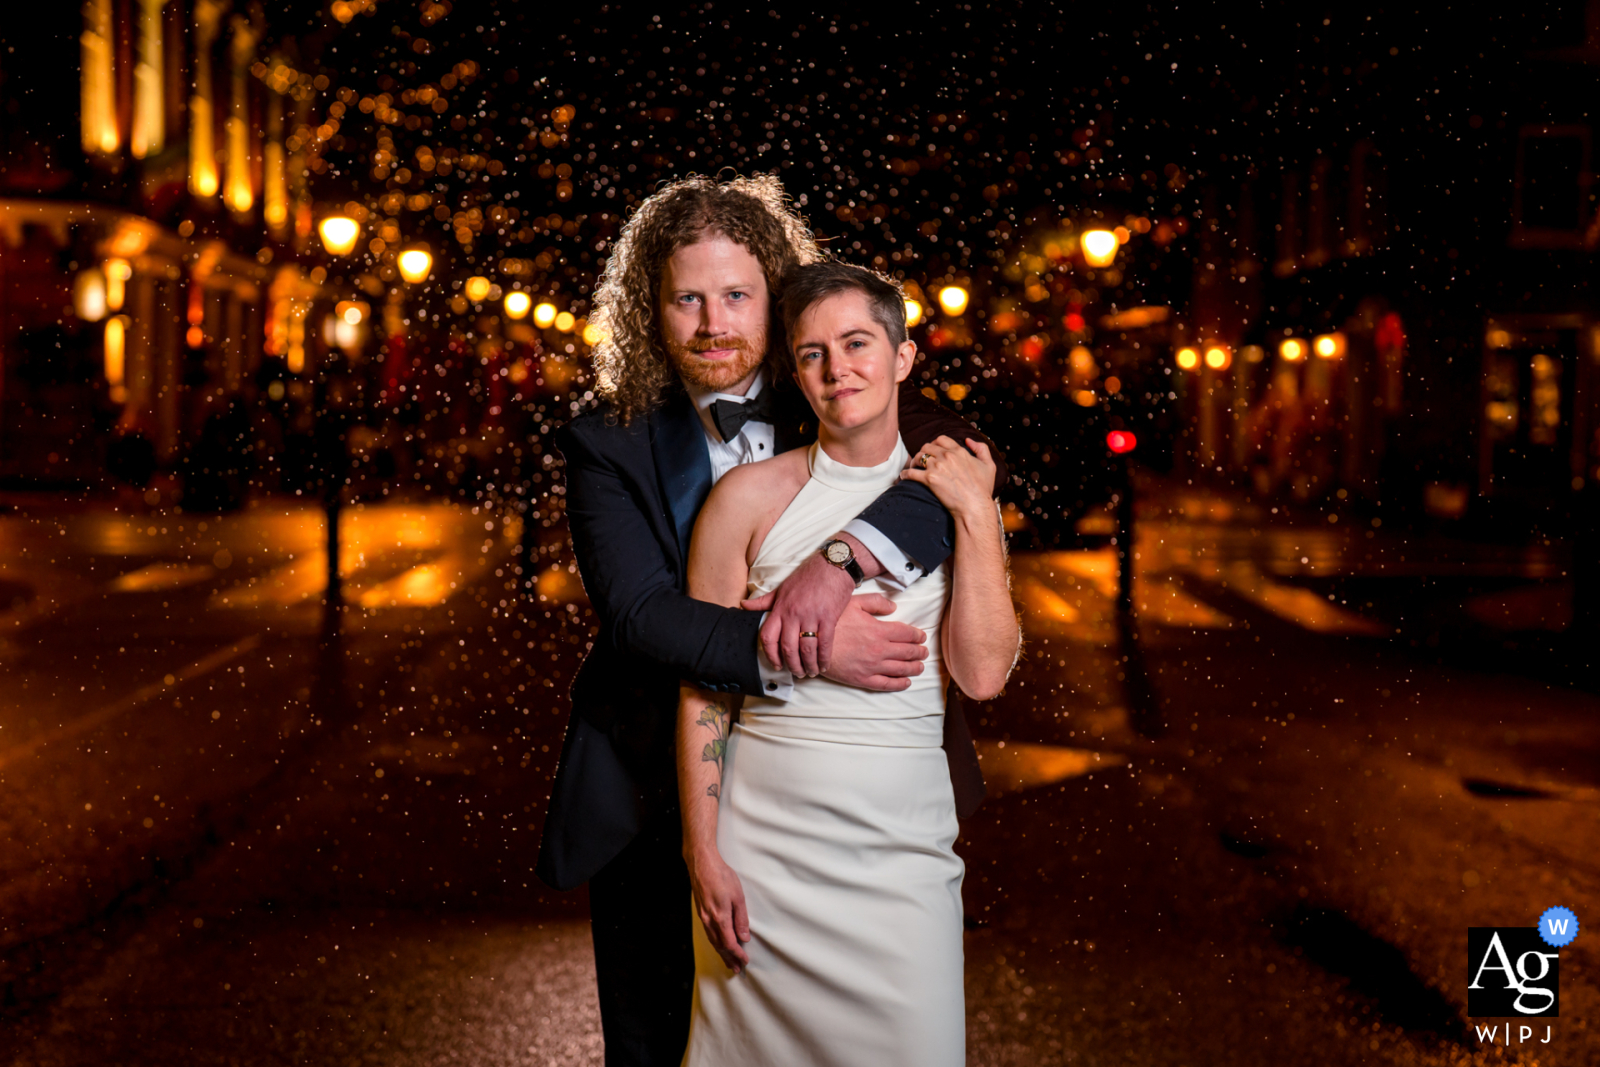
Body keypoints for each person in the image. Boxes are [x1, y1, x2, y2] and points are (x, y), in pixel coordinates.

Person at [534, 174, 1003, 1067]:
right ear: (650, 311)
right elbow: (641, 617)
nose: (713, 323)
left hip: (860, 809)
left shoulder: (836, 382)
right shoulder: (607, 440)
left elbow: (965, 461)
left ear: (776, 295)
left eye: (738, 295)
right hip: (651, 790)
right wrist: (810, 647)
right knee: (660, 1047)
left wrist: (841, 562)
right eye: (687, 299)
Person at [678, 262, 1020, 1066]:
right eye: (812, 354)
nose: (838, 369)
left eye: (858, 343)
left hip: (903, 853)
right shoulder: (743, 500)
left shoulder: (954, 499)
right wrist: (703, 851)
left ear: (903, 357)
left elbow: (983, 674)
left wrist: (977, 511)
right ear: (796, 374)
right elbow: (702, 691)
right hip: (763, 854)